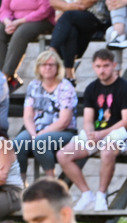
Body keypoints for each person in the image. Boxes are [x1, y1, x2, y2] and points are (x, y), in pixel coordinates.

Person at [56, 49, 127, 212]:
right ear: (93, 66)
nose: (102, 70)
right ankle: (87, 194)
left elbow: (126, 122)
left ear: (114, 65)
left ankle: (101, 195)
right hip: (98, 135)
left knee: (107, 152)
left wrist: (101, 134)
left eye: (106, 66)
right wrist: (90, 133)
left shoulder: (125, 88)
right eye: (98, 66)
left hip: (121, 135)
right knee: (63, 155)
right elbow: (87, 119)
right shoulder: (92, 88)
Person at [14, 49, 76, 180]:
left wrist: (40, 135)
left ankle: (51, 182)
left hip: (64, 132)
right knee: (18, 143)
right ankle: (19, 185)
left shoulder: (65, 87)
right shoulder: (33, 85)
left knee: (40, 142)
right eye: (44, 64)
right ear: (38, 67)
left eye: (51, 65)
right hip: (36, 130)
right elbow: (28, 116)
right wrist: (33, 133)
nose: (47, 67)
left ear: (57, 68)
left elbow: (64, 121)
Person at [0, 0, 55, 90]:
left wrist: (20, 21)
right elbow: (4, 9)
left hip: (40, 20)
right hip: (14, 21)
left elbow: (45, 10)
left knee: (20, 34)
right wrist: (7, 21)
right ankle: (10, 78)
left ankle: (5, 76)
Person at [47, 0, 111, 82]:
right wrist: (67, 8)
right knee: (71, 29)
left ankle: (51, 51)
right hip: (72, 20)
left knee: (67, 17)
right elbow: (53, 2)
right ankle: (69, 75)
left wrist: (66, 9)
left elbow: (87, 2)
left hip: (97, 19)